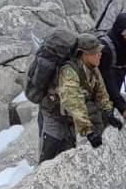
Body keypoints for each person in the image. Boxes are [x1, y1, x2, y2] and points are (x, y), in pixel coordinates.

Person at [38, 33, 119, 163]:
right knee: (48, 155)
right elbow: (73, 102)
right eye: (95, 52)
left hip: (69, 118)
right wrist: (88, 131)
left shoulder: (92, 68)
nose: (100, 54)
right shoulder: (69, 71)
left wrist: (108, 113)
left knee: (67, 156)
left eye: (99, 51)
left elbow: (100, 91)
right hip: (54, 115)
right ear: (83, 54)